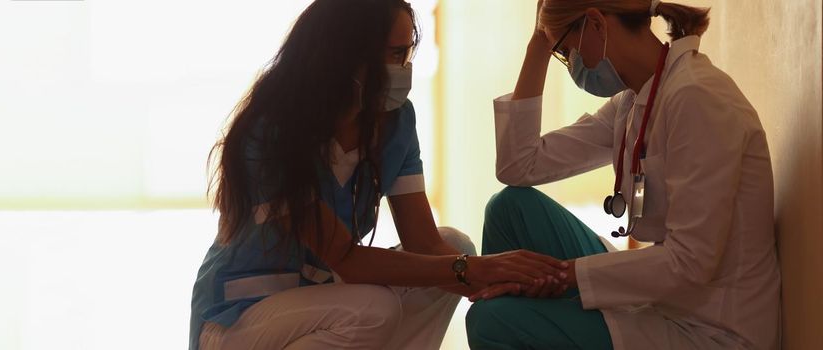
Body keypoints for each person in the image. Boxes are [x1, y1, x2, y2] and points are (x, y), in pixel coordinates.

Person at [190, 1, 569, 349]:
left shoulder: (396, 122)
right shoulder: (273, 131)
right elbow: (347, 260)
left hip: (321, 297)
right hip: (238, 318)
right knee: (375, 307)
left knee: (456, 244)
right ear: (343, 55)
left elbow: (424, 241)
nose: (403, 69)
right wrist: (472, 271)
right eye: (394, 54)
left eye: (406, 54)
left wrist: (497, 279)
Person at [464, 0, 781, 349]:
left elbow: (690, 263)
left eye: (566, 50)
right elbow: (517, 166)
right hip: (664, 302)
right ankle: (531, 318)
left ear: (597, 24)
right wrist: (540, 41)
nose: (572, 65)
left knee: (488, 322)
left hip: (709, 329)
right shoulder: (633, 103)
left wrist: (567, 275)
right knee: (509, 209)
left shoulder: (697, 97)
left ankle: (526, 322)